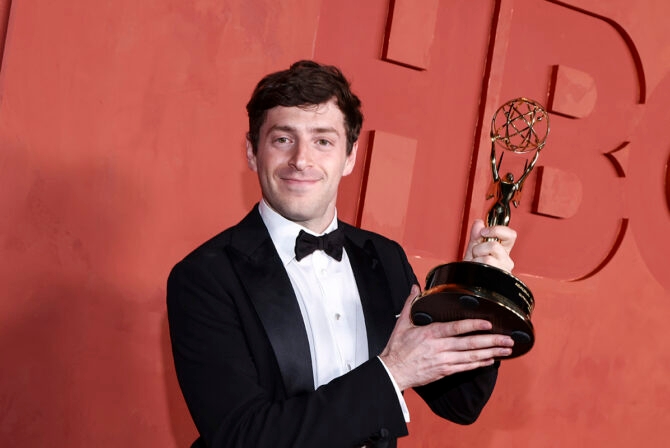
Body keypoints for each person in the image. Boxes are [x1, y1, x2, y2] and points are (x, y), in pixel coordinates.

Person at [167, 60, 518, 448]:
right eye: (282, 139)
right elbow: (241, 437)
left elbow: (460, 404)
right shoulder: (204, 277)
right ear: (252, 152)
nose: (301, 160)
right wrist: (393, 372)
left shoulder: (384, 258)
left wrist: (477, 290)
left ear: (349, 156)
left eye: (323, 141)